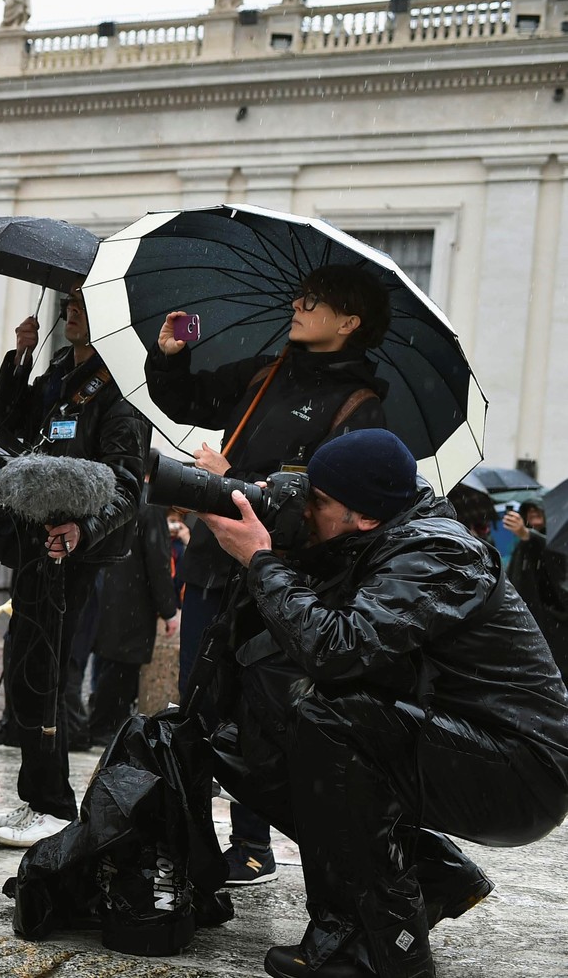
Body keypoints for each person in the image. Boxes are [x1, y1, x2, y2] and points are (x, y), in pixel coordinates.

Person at [200, 429, 568, 978]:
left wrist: (262, 561)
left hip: (525, 770)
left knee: (330, 717)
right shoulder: (380, 538)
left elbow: (335, 649)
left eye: (318, 501)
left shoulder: (439, 552)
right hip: (469, 740)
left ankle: (381, 951)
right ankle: (430, 875)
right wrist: (275, 538)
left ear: (366, 516)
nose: (306, 509)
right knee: (248, 749)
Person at [145, 262, 391, 885]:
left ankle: (252, 845)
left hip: (279, 577)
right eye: (299, 296)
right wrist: (171, 358)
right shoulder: (267, 371)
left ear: (349, 321)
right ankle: (189, 836)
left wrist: (230, 479)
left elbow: (327, 511)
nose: (297, 306)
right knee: (198, 703)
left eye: (313, 301)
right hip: (212, 563)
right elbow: (188, 398)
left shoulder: (359, 406)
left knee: (256, 710)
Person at [0, 287, 151, 848]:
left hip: (76, 551)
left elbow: (126, 484)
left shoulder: (118, 386)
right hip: (37, 540)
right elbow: (11, 429)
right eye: (69, 303)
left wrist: (83, 529)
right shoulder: (58, 371)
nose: (71, 311)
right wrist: (19, 360)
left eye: (83, 304)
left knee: (52, 673)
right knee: (28, 667)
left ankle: (54, 804)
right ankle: (35, 793)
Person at [85, 491, 180, 746]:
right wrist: (169, 610)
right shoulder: (150, 506)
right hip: (132, 602)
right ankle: (105, 727)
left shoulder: (117, 495)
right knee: (120, 671)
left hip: (107, 594)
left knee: (108, 666)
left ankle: (100, 723)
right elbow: (158, 562)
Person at [505, 502, 568, 676]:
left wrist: (528, 535)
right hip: (535, 618)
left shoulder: (556, 538)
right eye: (528, 511)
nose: (533, 513)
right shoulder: (522, 545)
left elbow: (551, 552)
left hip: (557, 618)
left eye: (536, 509)